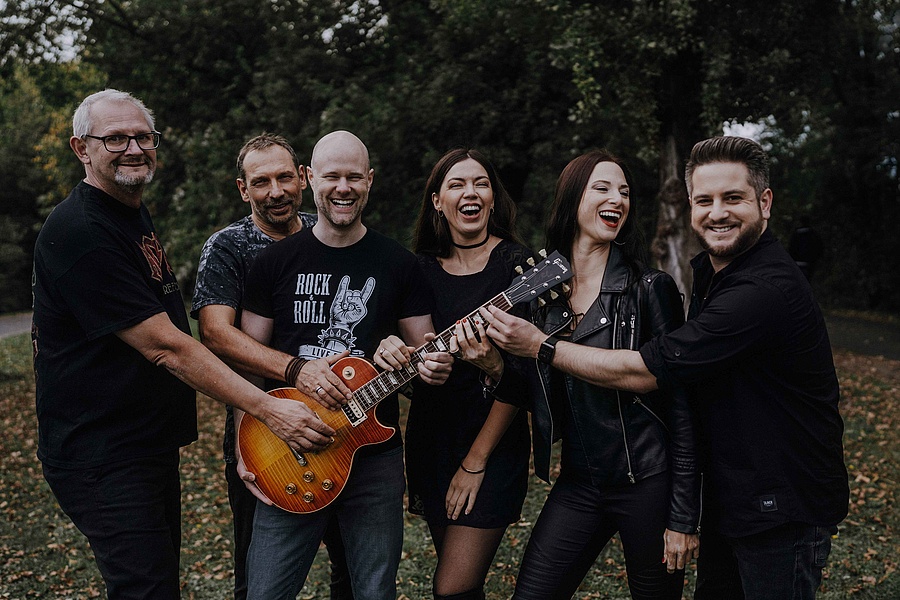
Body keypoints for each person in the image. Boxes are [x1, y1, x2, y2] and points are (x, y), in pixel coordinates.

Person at [486, 137, 849, 599]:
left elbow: (655, 378)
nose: (717, 212)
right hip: (723, 497)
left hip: (778, 502)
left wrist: (541, 346)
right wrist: (494, 363)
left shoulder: (758, 289)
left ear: (765, 202)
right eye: (704, 200)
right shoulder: (713, 275)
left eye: (733, 198)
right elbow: (552, 393)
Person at [31, 89, 338, 599]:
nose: (134, 149)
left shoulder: (126, 211)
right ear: (81, 148)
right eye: (115, 139)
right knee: (146, 589)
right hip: (101, 453)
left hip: (144, 444)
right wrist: (268, 409)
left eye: (143, 137)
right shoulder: (80, 230)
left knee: (156, 584)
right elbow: (167, 347)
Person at [236, 130, 453, 599]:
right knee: (266, 592)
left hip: (373, 459)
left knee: (374, 592)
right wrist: (242, 442)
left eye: (354, 177)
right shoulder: (272, 263)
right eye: (331, 176)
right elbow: (247, 361)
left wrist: (423, 361)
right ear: (309, 177)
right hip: (285, 449)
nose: (343, 188)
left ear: (369, 180)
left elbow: (429, 355)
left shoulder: (399, 264)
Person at [482, 150, 700, 599]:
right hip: (579, 481)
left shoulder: (649, 289)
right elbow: (530, 385)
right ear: (572, 199)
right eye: (602, 188)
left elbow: (682, 404)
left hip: (648, 482)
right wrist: (490, 364)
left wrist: (683, 518)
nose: (617, 199)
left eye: (624, 192)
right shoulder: (542, 293)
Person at [191, 133, 352, 600]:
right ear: (244, 190)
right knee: (258, 574)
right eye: (261, 182)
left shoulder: (331, 233)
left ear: (303, 178)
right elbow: (216, 333)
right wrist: (296, 370)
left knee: (351, 568)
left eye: (284, 177)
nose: (276, 191)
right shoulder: (229, 247)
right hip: (262, 429)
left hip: (343, 424)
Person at [405, 149, 532, 600]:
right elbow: (408, 369)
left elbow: (527, 379)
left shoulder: (519, 267)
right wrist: (410, 361)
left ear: (493, 198)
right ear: (438, 202)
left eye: (480, 183)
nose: (470, 193)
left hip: (492, 446)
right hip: (432, 441)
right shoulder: (418, 269)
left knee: (452, 587)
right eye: (456, 185)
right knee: (462, 585)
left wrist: (475, 462)